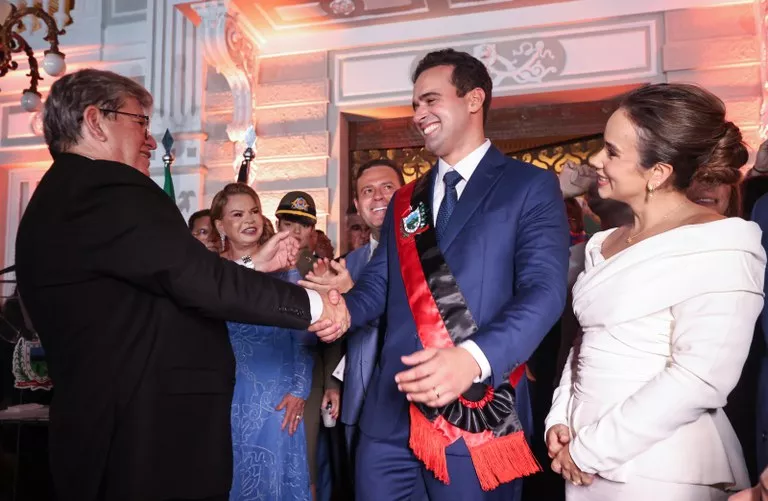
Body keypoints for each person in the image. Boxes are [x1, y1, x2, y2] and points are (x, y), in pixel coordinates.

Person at [14, 69, 342, 501]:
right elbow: (195, 279)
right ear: (95, 121)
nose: (151, 141)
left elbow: (161, 285)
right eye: (140, 122)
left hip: (108, 430)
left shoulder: (60, 196)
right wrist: (315, 305)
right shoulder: (106, 188)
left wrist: (250, 265)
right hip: (144, 437)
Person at [311, 48, 569, 501]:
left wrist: (473, 359)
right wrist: (343, 309)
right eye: (415, 105)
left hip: (477, 411)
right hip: (389, 414)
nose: (418, 115)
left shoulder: (528, 185)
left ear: (474, 99)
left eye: (430, 100)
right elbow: (380, 284)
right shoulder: (406, 199)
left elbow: (544, 292)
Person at [544, 83, 765, 501]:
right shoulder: (602, 243)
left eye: (612, 152)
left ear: (658, 173)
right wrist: (561, 417)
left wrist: (591, 450)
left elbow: (700, 377)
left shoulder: (724, 243)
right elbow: (585, 342)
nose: (596, 160)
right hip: (582, 457)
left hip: (660, 469)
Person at [300, 158, 405, 495]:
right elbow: (335, 338)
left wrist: (354, 296)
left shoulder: (429, 256)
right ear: (358, 205)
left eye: (388, 188)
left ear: (405, 195)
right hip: (358, 395)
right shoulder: (348, 263)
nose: (379, 196)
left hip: (408, 397)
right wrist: (334, 383)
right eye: (368, 191)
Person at [209, 183, 314, 501]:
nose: (249, 219)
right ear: (220, 225)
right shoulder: (211, 270)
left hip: (276, 396)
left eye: (254, 211)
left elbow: (302, 333)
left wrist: (300, 389)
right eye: (237, 214)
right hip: (223, 393)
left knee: (273, 479)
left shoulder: (286, 270)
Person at [275, 191, 343, 501]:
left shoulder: (322, 271)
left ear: (312, 231)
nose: (295, 231)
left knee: (305, 459)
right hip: (263, 369)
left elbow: (333, 336)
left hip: (309, 374)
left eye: (303, 225)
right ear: (278, 225)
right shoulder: (262, 262)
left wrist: (332, 384)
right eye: (289, 223)